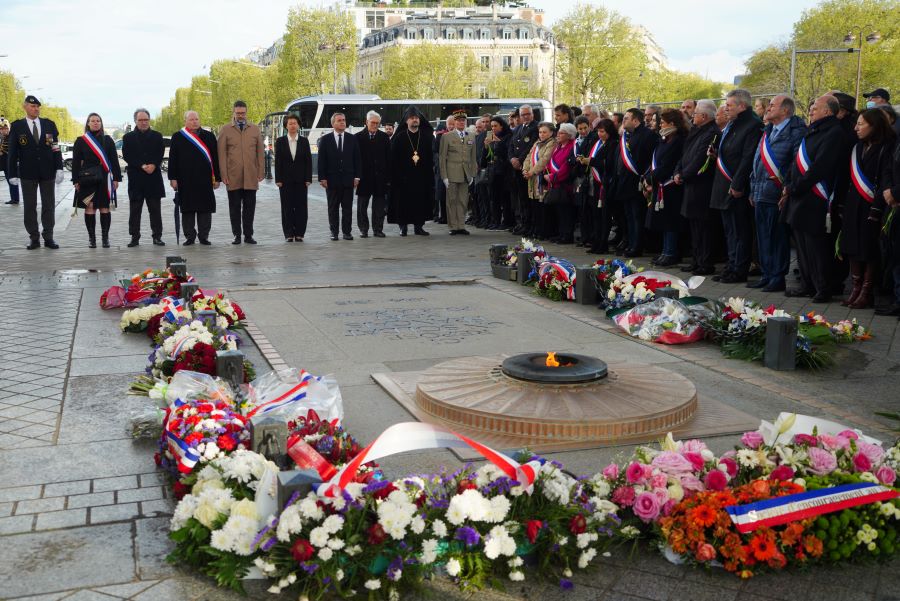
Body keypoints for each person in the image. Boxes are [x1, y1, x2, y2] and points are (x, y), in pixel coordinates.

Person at [782, 95, 847, 302]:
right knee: (802, 246)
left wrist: (795, 187)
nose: (810, 110)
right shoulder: (813, 130)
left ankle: (823, 288)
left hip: (816, 197)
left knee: (816, 247)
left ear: (828, 111)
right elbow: (796, 161)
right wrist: (788, 184)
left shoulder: (834, 133)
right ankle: (808, 284)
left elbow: (821, 166)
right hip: (799, 196)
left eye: (815, 108)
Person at [747, 95, 806, 292]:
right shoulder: (768, 130)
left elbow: (796, 164)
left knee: (776, 237)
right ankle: (767, 273)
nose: (768, 108)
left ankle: (777, 276)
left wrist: (786, 187)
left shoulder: (795, 132)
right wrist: (753, 190)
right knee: (763, 236)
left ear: (785, 111)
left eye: (773, 105)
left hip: (777, 193)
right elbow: (757, 163)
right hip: (761, 192)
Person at [838, 109, 896, 308]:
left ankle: (867, 291)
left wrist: (877, 207)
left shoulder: (886, 147)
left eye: (861, 124)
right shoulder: (856, 148)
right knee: (853, 246)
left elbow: (885, 178)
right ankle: (856, 287)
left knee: (869, 248)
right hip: (854, 203)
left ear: (875, 125)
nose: (856, 128)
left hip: (873, 205)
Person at [709, 89, 763, 283]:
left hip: (738, 186)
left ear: (742, 106)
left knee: (740, 231)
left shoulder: (753, 125)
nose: (725, 108)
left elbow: (748, 157)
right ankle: (731, 266)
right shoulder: (734, 124)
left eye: (729, 105)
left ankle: (739, 269)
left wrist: (738, 183)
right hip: (725, 184)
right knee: (730, 231)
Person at [7, 95, 64, 249]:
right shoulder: (18, 126)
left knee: (49, 205)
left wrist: (59, 167)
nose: (36, 108)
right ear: (25, 107)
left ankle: (49, 237)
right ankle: (34, 237)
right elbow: (12, 152)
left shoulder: (48, 125)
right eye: (32, 106)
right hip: (27, 173)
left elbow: (55, 147)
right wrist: (11, 173)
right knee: (30, 206)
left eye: (38, 106)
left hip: (47, 172)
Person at [675, 99, 719, 275]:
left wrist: (684, 174)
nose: (693, 116)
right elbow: (685, 155)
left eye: (695, 114)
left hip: (702, 185)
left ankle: (705, 262)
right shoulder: (696, 130)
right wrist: (678, 171)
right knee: (694, 226)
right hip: (690, 184)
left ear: (704, 116)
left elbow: (701, 159)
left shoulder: (712, 133)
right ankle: (696, 260)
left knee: (704, 227)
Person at [168, 110, 221, 245]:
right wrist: (172, 178)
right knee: (187, 209)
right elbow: (172, 159)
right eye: (191, 119)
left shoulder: (209, 136)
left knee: (205, 208)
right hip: (185, 179)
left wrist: (218, 178)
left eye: (196, 119)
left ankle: (204, 236)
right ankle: (190, 236)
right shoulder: (178, 137)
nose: (194, 122)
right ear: (185, 121)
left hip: (205, 179)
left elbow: (215, 158)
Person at [612, 108, 658, 257]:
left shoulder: (648, 135)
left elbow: (648, 159)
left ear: (636, 120)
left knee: (637, 215)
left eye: (626, 118)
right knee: (629, 216)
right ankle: (630, 243)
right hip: (625, 181)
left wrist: (645, 178)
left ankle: (637, 246)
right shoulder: (628, 136)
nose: (623, 121)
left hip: (637, 181)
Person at [645, 109, 688, 266]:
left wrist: (653, 177)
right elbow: (656, 159)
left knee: (671, 222)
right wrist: (649, 177)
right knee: (664, 221)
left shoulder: (678, 140)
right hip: (661, 184)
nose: (660, 125)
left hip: (671, 185)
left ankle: (671, 252)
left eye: (662, 122)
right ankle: (665, 251)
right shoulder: (664, 139)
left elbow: (669, 164)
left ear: (672, 123)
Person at [71, 113, 121, 248]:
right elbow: (76, 163)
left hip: (105, 179)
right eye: (92, 121)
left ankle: (105, 238)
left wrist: (116, 178)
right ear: (88, 123)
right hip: (87, 179)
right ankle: (92, 239)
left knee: (105, 207)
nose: (95, 123)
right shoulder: (81, 140)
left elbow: (114, 161)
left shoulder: (108, 140)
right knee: (90, 207)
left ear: (101, 123)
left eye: (98, 121)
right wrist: (75, 180)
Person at [217, 100, 264, 245]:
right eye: (238, 113)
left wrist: (261, 171)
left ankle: (248, 235)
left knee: (250, 208)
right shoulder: (225, 129)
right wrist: (223, 174)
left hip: (251, 175)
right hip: (233, 176)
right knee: (234, 208)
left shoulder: (255, 129)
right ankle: (237, 235)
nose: (241, 116)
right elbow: (221, 154)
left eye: (243, 113)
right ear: (234, 112)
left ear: (246, 112)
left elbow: (260, 152)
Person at [122, 108, 166, 246]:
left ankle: (157, 236)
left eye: (146, 120)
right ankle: (134, 237)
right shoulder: (128, 137)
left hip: (153, 178)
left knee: (155, 210)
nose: (143, 122)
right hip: (136, 178)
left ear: (149, 120)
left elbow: (160, 152)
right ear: (135, 121)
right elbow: (127, 155)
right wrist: (141, 165)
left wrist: (153, 164)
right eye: (140, 120)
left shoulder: (157, 136)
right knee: (135, 211)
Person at [388, 106, 434, 236]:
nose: (415, 120)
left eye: (416, 118)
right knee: (403, 202)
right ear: (406, 121)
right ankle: (403, 227)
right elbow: (394, 159)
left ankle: (419, 226)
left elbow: (431, 157)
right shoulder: (399, 137)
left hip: (421, 177)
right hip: (403, 178)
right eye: (412, 118)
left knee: (420, 201)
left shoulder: (426, 137)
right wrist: (397, 175)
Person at [318, 112, 361, 241]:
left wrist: (357, 177)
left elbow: (357, 159)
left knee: (347, 208)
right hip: (332, 180)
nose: (343, 122)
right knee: (333, 208)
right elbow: (321, 160)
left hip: (348, 180)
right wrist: (322, 177)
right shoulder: (325, 140)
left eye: (344, 120)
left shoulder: (352, 139)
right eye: (339, 120)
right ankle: (334, 232)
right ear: (333, 124)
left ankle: (347, 232)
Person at [583, 118, 618, 254]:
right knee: (596, 215)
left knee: (604, 215)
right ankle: (596, 241)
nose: (599, 134)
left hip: (605, 183)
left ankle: (603, 243)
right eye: (598, 131)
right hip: (595, 183)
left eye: (602, 131)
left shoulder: (613, 144)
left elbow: (608, 164)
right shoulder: (598, 144)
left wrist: (591, 161)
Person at [274, 114, 312, 241]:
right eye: (290, 123)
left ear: (298, 125)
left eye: (295, 123)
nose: (292, 125)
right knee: (287, 207)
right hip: (285, 181)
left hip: (301, 181)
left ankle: (300, 233)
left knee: (301, 207)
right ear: (286, 126)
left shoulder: (304, 141)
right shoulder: (280, 141)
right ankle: (289, 234)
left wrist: (308, 179)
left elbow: (308, 161)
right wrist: (278, 179)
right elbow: (278, 162)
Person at [439, 110, 477, 235]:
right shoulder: (447, 136)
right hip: (451, 173)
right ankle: (453, 226)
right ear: (454, 122)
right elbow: (442, 157)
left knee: (463, 200)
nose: (461, 122)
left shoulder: (471, 136)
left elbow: (473, 157)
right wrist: (444, 176)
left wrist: (472, 174)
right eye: (459, 120)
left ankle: (461, 225)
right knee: (451, 200)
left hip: (466, 173)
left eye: (463, 121)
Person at [355, 110, 391, 238]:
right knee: (361, 207)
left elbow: (388, 158)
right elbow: (355, 159)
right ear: (366, 122)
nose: (375, 125)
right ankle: (363, 229)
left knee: (379, 207)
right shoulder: (358, 137)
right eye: (373, 122)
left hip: (380, 178)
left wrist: (388, 177)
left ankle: (378, 229)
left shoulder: (384, 137)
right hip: (364, 178)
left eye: (377, 123)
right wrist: (356, 176)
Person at [876, 121, 900, 316]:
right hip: (893, 201)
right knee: (894, 253)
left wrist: (896, 192)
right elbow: (888, 168)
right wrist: (888, 191)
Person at [522, 121, 557, 239]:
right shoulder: (537, 142)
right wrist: (525, 170)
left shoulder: (552, 143)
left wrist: (532, 172)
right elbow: (528, 157)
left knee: (543, 206)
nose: (541, 134)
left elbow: (544, 159)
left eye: (544, 132)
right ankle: (536, 229)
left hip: (541, 178)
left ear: (551, 132)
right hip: (531, 178)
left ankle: (544, 231)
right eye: (540, 132)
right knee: (535, 206)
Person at [508, 104, 539, 234]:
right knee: (521, 198)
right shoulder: (518, 128)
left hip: (527, 168)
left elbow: (531, 146)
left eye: (528, 114)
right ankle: (523, 223)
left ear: (532, 114)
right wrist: (512, 159)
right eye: (523, 115)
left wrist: (519, 160)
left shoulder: (536, 127)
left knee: (529, 199)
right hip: (517, 168)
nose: (525, 117)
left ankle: (531, 225)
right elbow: (511, 145)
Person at [545, 122, 578, 244]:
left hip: (564, 184)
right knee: (559, 211)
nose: (558, 134)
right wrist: (547, 173)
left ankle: (567, 235)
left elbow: (567, 166)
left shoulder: (572, 146)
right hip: (554, 183)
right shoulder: (558, 146)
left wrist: (554, 177)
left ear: (569, 135)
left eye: (561, 132)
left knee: (566, 212)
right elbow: (551, 161)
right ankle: (561, 233)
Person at [482, 116, 512, 231]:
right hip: (492, 171)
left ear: (501, 126)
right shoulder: (490, 136)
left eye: (495, 126)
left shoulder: (507, 137)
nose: (493, 128)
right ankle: (496, 221)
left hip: (503, 172)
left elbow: (505, 153)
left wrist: (497, 142)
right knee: (493, 198)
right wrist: (486, 146)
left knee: (505, 198)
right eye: (492, 126)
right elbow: (486, 158)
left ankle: (507, 221)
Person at [572, 115, 598, 248]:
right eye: (580, 129)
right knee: (582, 208)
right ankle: (584, 236)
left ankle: (591, 237)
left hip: (589, 175)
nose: (583, 131)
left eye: (585, 128)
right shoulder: (577, 141)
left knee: (590, 208)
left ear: (589, 126)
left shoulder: (593, 138)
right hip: (581, 175)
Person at [0, 119, 19, 204]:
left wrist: (2, 151)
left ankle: (15, 199)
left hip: (10, 163)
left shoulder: (11, 137)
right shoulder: (4, 138)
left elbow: (11, 151)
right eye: (2, 129)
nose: (4, 130)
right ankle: (14, 198)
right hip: (4, 164)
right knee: (9, 181)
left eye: (5, 129)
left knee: (12, 180)